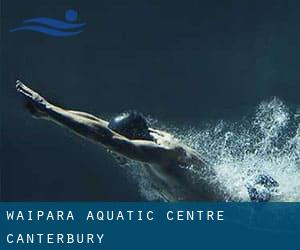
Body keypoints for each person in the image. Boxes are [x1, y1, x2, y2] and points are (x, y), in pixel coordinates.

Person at [15, 80, 277, 201]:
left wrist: (48, 109)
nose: (111, 151)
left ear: (132, 140)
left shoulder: (161, 154)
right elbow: (99, 126)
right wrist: (51, 113)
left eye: (115, 146)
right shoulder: (146, 139)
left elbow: (105, 137)